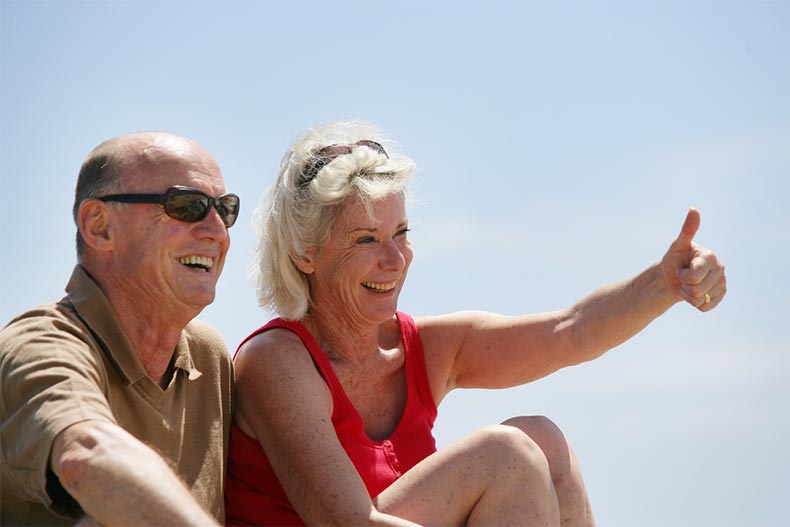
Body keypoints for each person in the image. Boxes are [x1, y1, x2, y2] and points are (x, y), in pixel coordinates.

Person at [225, 121, 727, 527]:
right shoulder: (277, 361)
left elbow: (571, 331)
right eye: (365, 239)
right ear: (303, 253)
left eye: (401, 232)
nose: (395, 259)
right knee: (503, 453)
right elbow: (346, 523)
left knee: (542, 438)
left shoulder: (424, 348)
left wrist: (665, 285)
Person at [1, 132, 238, 526]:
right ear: (99, 226)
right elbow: (86, 455)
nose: (218, 231)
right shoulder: (41, 343)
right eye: (187, 205)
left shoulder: (209, 357)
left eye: (226, 210)